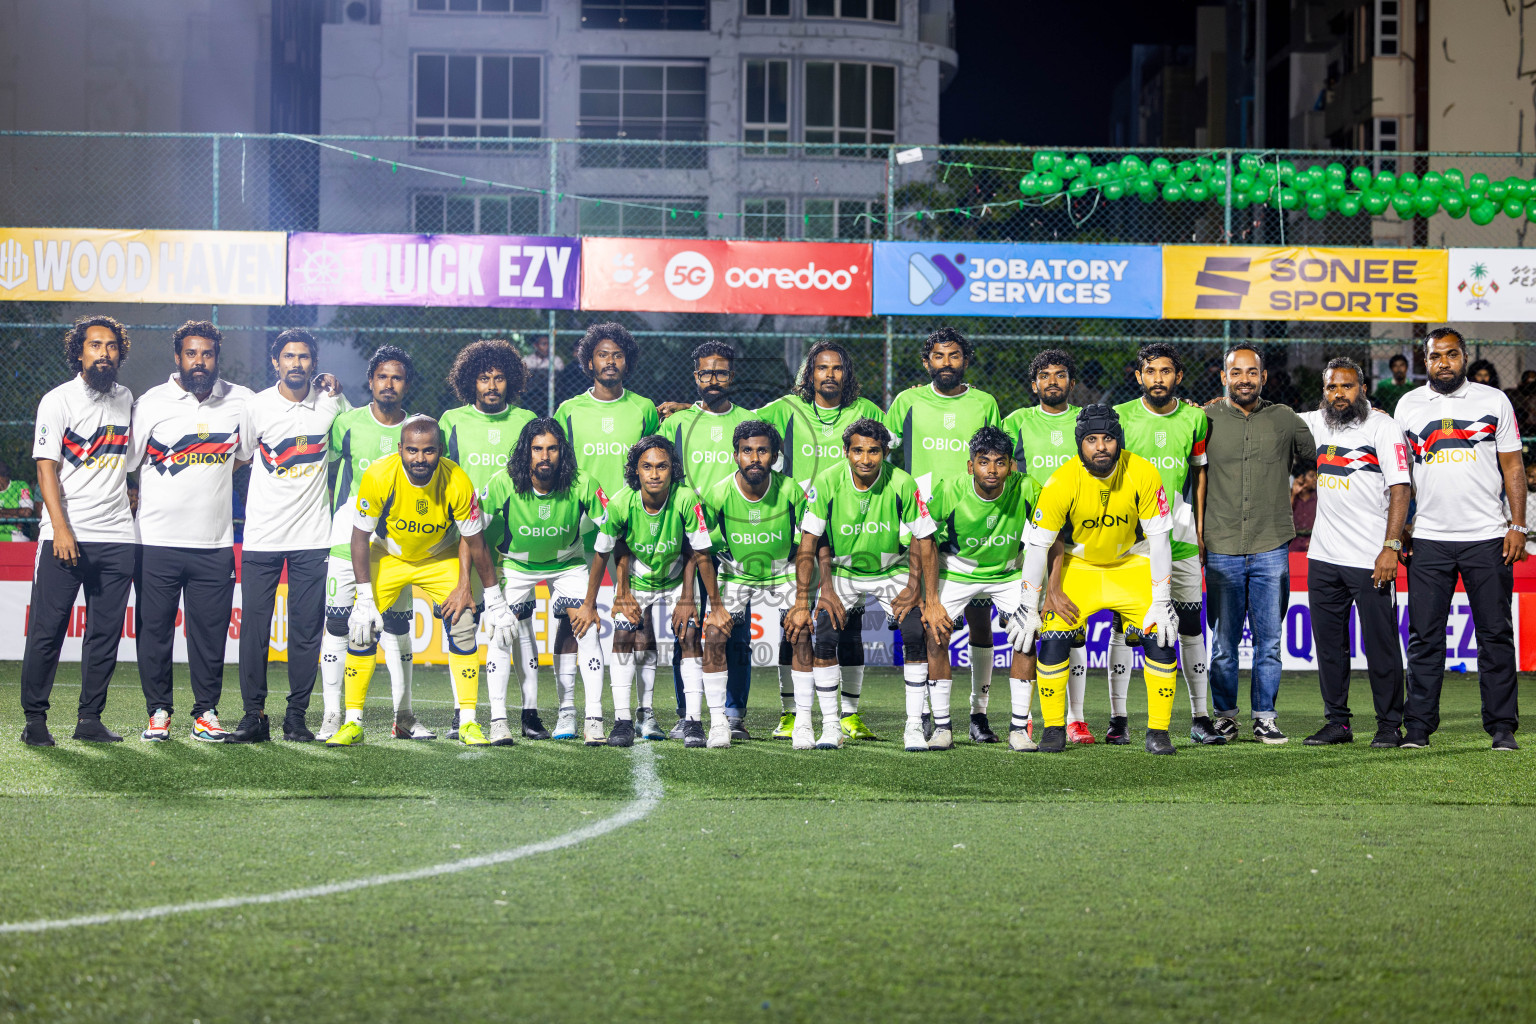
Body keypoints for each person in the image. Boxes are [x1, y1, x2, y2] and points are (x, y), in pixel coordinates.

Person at [329, 416, 516, 747]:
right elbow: (359, 538)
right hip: (388, 556)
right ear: (400, 448)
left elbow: (477, 543)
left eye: (428, 451)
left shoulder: (457, 480)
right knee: (361, 628)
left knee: (463, 622)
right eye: (412, 450)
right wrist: (364, 598)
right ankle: (353, 721)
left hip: (438, 558)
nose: (419, 458)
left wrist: (495, 599)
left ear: (440, 450)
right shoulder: (379, 475)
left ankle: (469, 722)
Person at [1011, 405, 1181, 755]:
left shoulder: (1144, 472)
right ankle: (1054, 729)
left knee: (1161, 636)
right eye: (1092, 440)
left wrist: (1162, 602)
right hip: (1080, 567)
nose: (1101, 446)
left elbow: (1161, 539)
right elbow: (1038, 547)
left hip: (1131, 562)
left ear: (1118, 441)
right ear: (1080, 444)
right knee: (1053, 637)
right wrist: (1029, 607)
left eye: (1108, 439)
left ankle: (1158, 733)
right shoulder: (1061, 481)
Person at [1395, 328, 1525, 751]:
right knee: (1424, 638)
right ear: (1425, 361)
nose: (1444, 363)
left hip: (1487, 537)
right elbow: (1400, 478)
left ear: (1464, 358)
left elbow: (1513, 468)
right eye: (1436, 357)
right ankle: (1417, 727)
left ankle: (1502, 727)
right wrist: (1399, 531)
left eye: (1451, 355)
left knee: (1495, 634)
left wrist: (1518, 526)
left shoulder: (1494, 401)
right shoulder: (1408, 406)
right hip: (1429, 538)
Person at [786, 418, 946, 753]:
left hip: (891, 570)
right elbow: (808, 543)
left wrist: (921, 593)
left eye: (874, 451)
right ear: (846, 451)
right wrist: (808, 598)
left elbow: (926, 540)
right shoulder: (828, 481)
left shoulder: (902, 482)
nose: (865, 458)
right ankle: (831, 727)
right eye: (857, 450)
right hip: (842, 573)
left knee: (916, 632)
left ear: (885, 452)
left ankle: (914, 727)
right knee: (826, 634)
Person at [128, 321, 254, 742]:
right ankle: (158, 711)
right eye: (191, 354)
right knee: (155, 632)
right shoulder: (150, 403)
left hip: (214, 544)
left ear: (217, 356)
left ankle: (206, 712)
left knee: (209, 635)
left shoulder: (242, 401)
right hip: (155, 542)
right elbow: (128, 463)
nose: (199, 362)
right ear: (177, 358)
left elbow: (245, 455)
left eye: (207, 354)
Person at [756, 340, 884, 741]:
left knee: (849, 624)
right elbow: (741, 426)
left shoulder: (867, 412)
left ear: (847, 374)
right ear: (809, 373)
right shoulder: (784, 410)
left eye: (837, 368)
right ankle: (791, 712)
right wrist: (689, 410)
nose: (830, 375)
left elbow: (889, 451)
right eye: (822, 368)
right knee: (792, 622)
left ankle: (848, 714)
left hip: (849, 530)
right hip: (798, 528)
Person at [18, 315, 136, 747]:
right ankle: (35, 720)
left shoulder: (127, 399)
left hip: (119, 537)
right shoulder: (58, 400)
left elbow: (136, 457)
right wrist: (62, 529)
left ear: (119, 353)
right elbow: (45, 470)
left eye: (110, 346)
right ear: (79, 352)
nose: (103, 353)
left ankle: (90, 719)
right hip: (64, 537)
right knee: (47, 632)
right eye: (95, 346)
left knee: (104, 636)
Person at [883, 327, 1002, 743]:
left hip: (973, 520)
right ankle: (936, 716)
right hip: (924, 524)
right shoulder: (907, 401)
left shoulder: (984, 402)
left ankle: (979, 712)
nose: (946, 363)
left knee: (980, 619)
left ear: (964, 360)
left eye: (954, 356)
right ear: (926, 361)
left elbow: (996, 455)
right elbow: (880, 447)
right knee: (931, 621)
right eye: (938, 356)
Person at [231, 329, 346, 744]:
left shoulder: (332, 403)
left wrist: (337, 385)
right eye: (288, 357)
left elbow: (351, 444)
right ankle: (252, 716)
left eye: (303, 357)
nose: (295, 363)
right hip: (262, 535)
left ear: (313, 364)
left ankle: (296, 717)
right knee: (255, 631)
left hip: (314, 536)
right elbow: (241, 457)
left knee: (305, 631)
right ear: (276, 362)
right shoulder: (256, 406)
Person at [1105, 344, 1222, 746]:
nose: (1158, 378)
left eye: (1166, 371)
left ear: (1179, 377)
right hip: (1131, 543)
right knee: (1125, 628)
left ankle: (1201, 717)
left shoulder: (1195, 418)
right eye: (1150, 371)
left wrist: (1200, 530)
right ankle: (1119, 720)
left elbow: (1199, 476)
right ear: (1138, 377)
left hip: (1182, 538)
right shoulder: (1119, 417)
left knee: (1190, 628)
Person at [1200, 345, 1315, 744]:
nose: (1245, 379)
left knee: (1269, 643)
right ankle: (1226, 717)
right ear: (1224, 377)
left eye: (1252, 372)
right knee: (1223, 646)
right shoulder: (1205, 419)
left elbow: (1324, 445)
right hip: (1222, 544)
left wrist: (1371, 417)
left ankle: (1265, 716)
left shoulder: (1285, 419)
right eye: (1237, 372)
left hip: (1270, 546)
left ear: (1264, 378)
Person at [575, 435, 720, 745]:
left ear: (673, 469)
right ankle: (624, 721)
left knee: (690, 632)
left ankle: (693, 722)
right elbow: (605, 553)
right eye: (647, 467)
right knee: (626, 631)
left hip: (676, 579)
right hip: (638, 581)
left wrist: (695, 600)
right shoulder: (620, 503)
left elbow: (698, 552)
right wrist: (600, 600)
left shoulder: (685, 499)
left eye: (662, 466)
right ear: (636, 471)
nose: (655, 474)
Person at [1297, 357, 1410, 747]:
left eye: (1346, 386)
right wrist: (1214, 406)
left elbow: (1400, 489)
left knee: (1381, 646)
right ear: (1324, 391)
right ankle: (1338, 723)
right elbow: (1268, 419)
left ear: (1361, 388)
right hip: (1324, 556)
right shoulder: (1315, 422)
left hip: (1370, 557)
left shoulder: (1383, 426)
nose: (1339, 394)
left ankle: (1389, 725)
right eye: (1332, 387)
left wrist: (1390, 548)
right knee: (1329, 648)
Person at [319, 348, 424, 741]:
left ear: (406, 385)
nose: (389, 384)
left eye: (397, 378)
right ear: (371, 380)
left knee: (398, 625)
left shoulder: (418, 429)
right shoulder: (347, 423)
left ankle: (405, 716)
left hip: (398, 547)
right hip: (347, 542)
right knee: (337, 623)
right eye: (382, 377)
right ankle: (333, 714)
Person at [486, 419, 610, 745]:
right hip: (515, 565)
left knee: (588, 627)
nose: (545, 456)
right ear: (526, 452)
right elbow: (471, 533)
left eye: (552, 448)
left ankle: (593, 717)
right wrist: (468, 585)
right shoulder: (503, 482)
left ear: (562, 452)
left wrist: (592, 599)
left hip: (568, 564)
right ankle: (499, 719)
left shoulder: (583, 483)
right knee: (501, 630)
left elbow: (612, 532)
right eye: (537, 448)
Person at [440, 339, 541, 739]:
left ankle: (529, 714)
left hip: (512, 543)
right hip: (462, 542)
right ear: (471, 382)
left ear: (510, 381)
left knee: (520, 628)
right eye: (484, 378)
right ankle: (461, 711)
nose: (492, 385)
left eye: (499, 377)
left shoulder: (527, 419)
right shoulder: (451, 421)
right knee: (464, 621)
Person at [923, 427, 1043, 752]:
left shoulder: (1027, 487)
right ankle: (942, 727)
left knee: (1026, 632)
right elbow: (923, 537)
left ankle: (1018, 729)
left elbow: (1050, 534)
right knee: (935, 632)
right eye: (983, 462)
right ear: (970, 465)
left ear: (1010, 466)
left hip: (1006, 572)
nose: (992, 470)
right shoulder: (951, 489)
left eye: (1000, 462)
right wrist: (930, 598)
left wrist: (1042, 592)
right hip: (959, 570)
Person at [698, 422, 816, 746]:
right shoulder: (717, 495)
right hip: (736, 572)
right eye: (747, 450)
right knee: (714, 633)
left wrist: (803, 601)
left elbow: (807, 546)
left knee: (801, 629)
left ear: (774, 456)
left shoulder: (792, 491)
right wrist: (716, 607)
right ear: (735, 454)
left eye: (762, 450)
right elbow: (702, 551)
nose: (754, 457)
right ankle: (719, 722)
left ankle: (803, 721)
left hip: (783, 569)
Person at [661, 341, 756, 740]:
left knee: (734, 631)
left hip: (736, 545)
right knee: (687, 626)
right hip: (686, 545)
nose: (713, 380)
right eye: (705, 373)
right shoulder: (674, 426)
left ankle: (734, 713)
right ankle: (688, 712)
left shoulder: (750, 421)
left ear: (731, 377)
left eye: (720, 373)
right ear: (695, 376)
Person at [1003, 350, 1092, 743]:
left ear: (1072, 383)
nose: (1052, 381)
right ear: (1033, 384)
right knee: (1027, 628)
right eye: (1044, 375)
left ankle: (1075, 718)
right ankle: (1022, 718)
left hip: (1079, 537)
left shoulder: (1086, 420)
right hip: (1032, 539)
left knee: (1071, 626)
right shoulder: (1016, 422)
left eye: (1060, 375)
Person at [0, 461, 37, 541]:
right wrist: (14, 517)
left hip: (16, 534)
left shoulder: (20, 486)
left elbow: (27, 512)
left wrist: (2, 511)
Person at [1288, 470, 1317, 553]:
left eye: (1316, 476)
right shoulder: (1290, 495)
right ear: (1301, 478)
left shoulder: (1317, 497)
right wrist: (1294, 494)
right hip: (1294, 542)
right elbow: (1284, 515)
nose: (1315, 479)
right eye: (1311, 476)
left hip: (1312, 540)